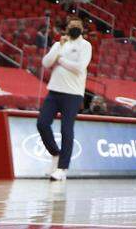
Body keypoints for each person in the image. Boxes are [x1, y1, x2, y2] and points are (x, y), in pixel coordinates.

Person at [37, 16, 92, 181]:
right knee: (42, 123)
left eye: (77, 24)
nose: (74, 27)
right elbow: (46, 63)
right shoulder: (59, 44)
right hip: (54, 91)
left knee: (66, 130)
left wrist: (60, 60)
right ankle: (55, 153)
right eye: (71, 25)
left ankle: (62, 168)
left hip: (73, 94)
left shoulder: (85, 45)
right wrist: (58, 48)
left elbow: (80, 67)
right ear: (67, 28)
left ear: (81, 29)